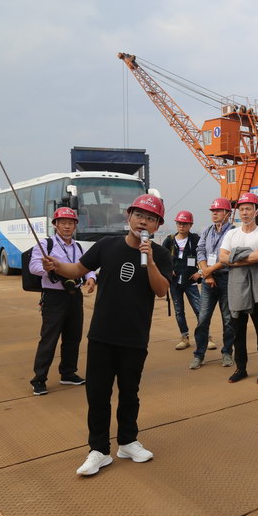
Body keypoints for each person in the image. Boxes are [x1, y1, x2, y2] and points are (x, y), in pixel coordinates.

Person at [42, 194, 172, 476]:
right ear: (129, 216)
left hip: (135, 336)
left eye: (150, 218)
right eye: (139, 215)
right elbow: (78, 269)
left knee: (129, 393)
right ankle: (98, 450)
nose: (143, 221)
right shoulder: (106, 245)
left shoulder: (161, 255)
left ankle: (128, 442)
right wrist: (56, 265)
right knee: (98, 395)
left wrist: (150, 260)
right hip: (102, 334)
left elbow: (161, 290)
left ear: (157, 225)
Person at [27, 208, 96, 396]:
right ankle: (39, 379)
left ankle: (68, 373)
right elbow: (33, 266)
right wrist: (47, 268)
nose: (67, 226)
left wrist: (91, 277)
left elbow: (86, 266)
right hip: (54, 297)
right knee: (49, 338)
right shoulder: (46, 244)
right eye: (63, 222)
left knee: (73, 336)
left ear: (75, 225)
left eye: (70, 223)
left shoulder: (78, 246)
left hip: (74, 295)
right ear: (55, 225)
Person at [219, 192, 258, 384]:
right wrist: (246, 257)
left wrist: (234, 258)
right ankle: (240, 368)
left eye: (248, 209)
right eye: (241, 209)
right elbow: (222, 258)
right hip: (236, 288)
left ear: (256, 211)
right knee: (238, 331)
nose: (244, 213)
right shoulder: (231, 234)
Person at [190, 198, 235, 370]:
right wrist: (206, 272)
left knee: (228, 320)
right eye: (213, 211)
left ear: (227, 213)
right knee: (203, 319)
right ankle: (199, 354)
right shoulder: (207, 231)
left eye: (218, 211)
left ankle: (227, 352)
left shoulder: (233, 232)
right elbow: (200, 250)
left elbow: (229, 257)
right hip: (208, 280)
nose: (214, 213)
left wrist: (207, 271)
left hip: (226, 278)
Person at [162, 211, 212, 351]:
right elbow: (162, 258)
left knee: (199, 310)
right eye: (179, 223)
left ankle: (206, 337)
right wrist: (168, 270)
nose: (181, 226)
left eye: (184, 224)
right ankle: (184, 337)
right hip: (174, 282)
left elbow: (205, 256)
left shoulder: (195, 240)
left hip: (190, 282)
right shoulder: (169, 240)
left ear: (190, 225)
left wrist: (200, 273)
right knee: (179, 311)